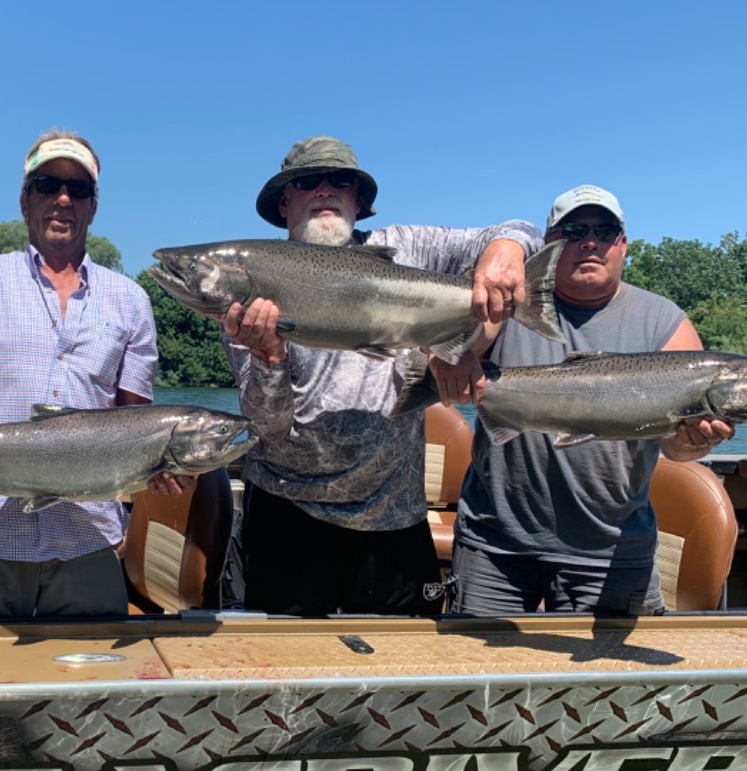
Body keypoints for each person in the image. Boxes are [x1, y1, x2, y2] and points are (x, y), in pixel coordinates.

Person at [227, 136, 540, 617]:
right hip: (287, 517)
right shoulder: (251, 289)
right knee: (292, 677)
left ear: (358, 199)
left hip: (394, 516)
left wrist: (506, 252)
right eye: (308, 181)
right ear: (285, 200)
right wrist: (270, 358)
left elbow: (517, 228)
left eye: (342, 181)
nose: (326, 190)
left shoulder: (407, 247)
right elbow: (266, 429)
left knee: (401, 672)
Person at [0, 130, 172, 618]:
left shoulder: (131, 300)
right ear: (24, 200)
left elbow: (137, 421)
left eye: (78, 190)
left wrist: (157, 469)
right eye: (48, 184)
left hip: (89, 539)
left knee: (92, 687)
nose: (62, 198)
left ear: (93, 207)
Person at [451, 184, 734, 616]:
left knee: (608, 686)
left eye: (605, 232)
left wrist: (696, 443)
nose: (590, 242)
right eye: (575, 230)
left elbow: (675, 448)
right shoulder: (507, 304)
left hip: (612, 550)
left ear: (622, 244)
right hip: (495, 545)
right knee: (483, 682)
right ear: (548, 244)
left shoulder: (664, 322)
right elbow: (454, 357)